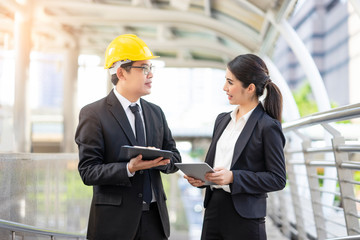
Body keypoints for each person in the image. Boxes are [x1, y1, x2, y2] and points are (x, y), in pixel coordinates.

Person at [75, 34, 181, 240]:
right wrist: (129, 168)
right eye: (144, 68)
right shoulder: (94, 114)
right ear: (121, 72)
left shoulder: (156, 113)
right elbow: (88, 171)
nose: (150, 75)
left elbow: (175, 159)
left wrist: (158, 161)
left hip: (154, 221)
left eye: (151, 68)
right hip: (114, 224)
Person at [184, 54, 286, 240]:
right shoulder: (222, 120)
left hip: (245, 217)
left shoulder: (267, 126)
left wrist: (233, 177)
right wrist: (202, 179)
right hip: (213, 210)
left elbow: (278, 179)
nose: (225, 88)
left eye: (230, 82)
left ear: (250, 88)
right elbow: (213, 166)